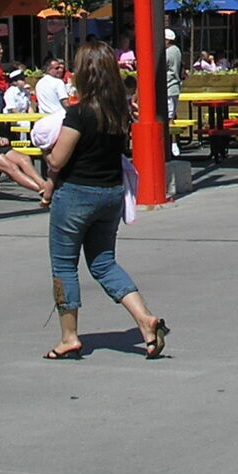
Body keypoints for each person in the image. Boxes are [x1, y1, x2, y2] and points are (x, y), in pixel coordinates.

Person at [40, 41, 167, 362]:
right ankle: (145, 319)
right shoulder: (119, 110)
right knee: (103, 262)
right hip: (110, 193)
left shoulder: (79, 113)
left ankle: (69, 337)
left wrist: (45, 152)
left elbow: (58, 159)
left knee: (65, 265)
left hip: (76, 194)